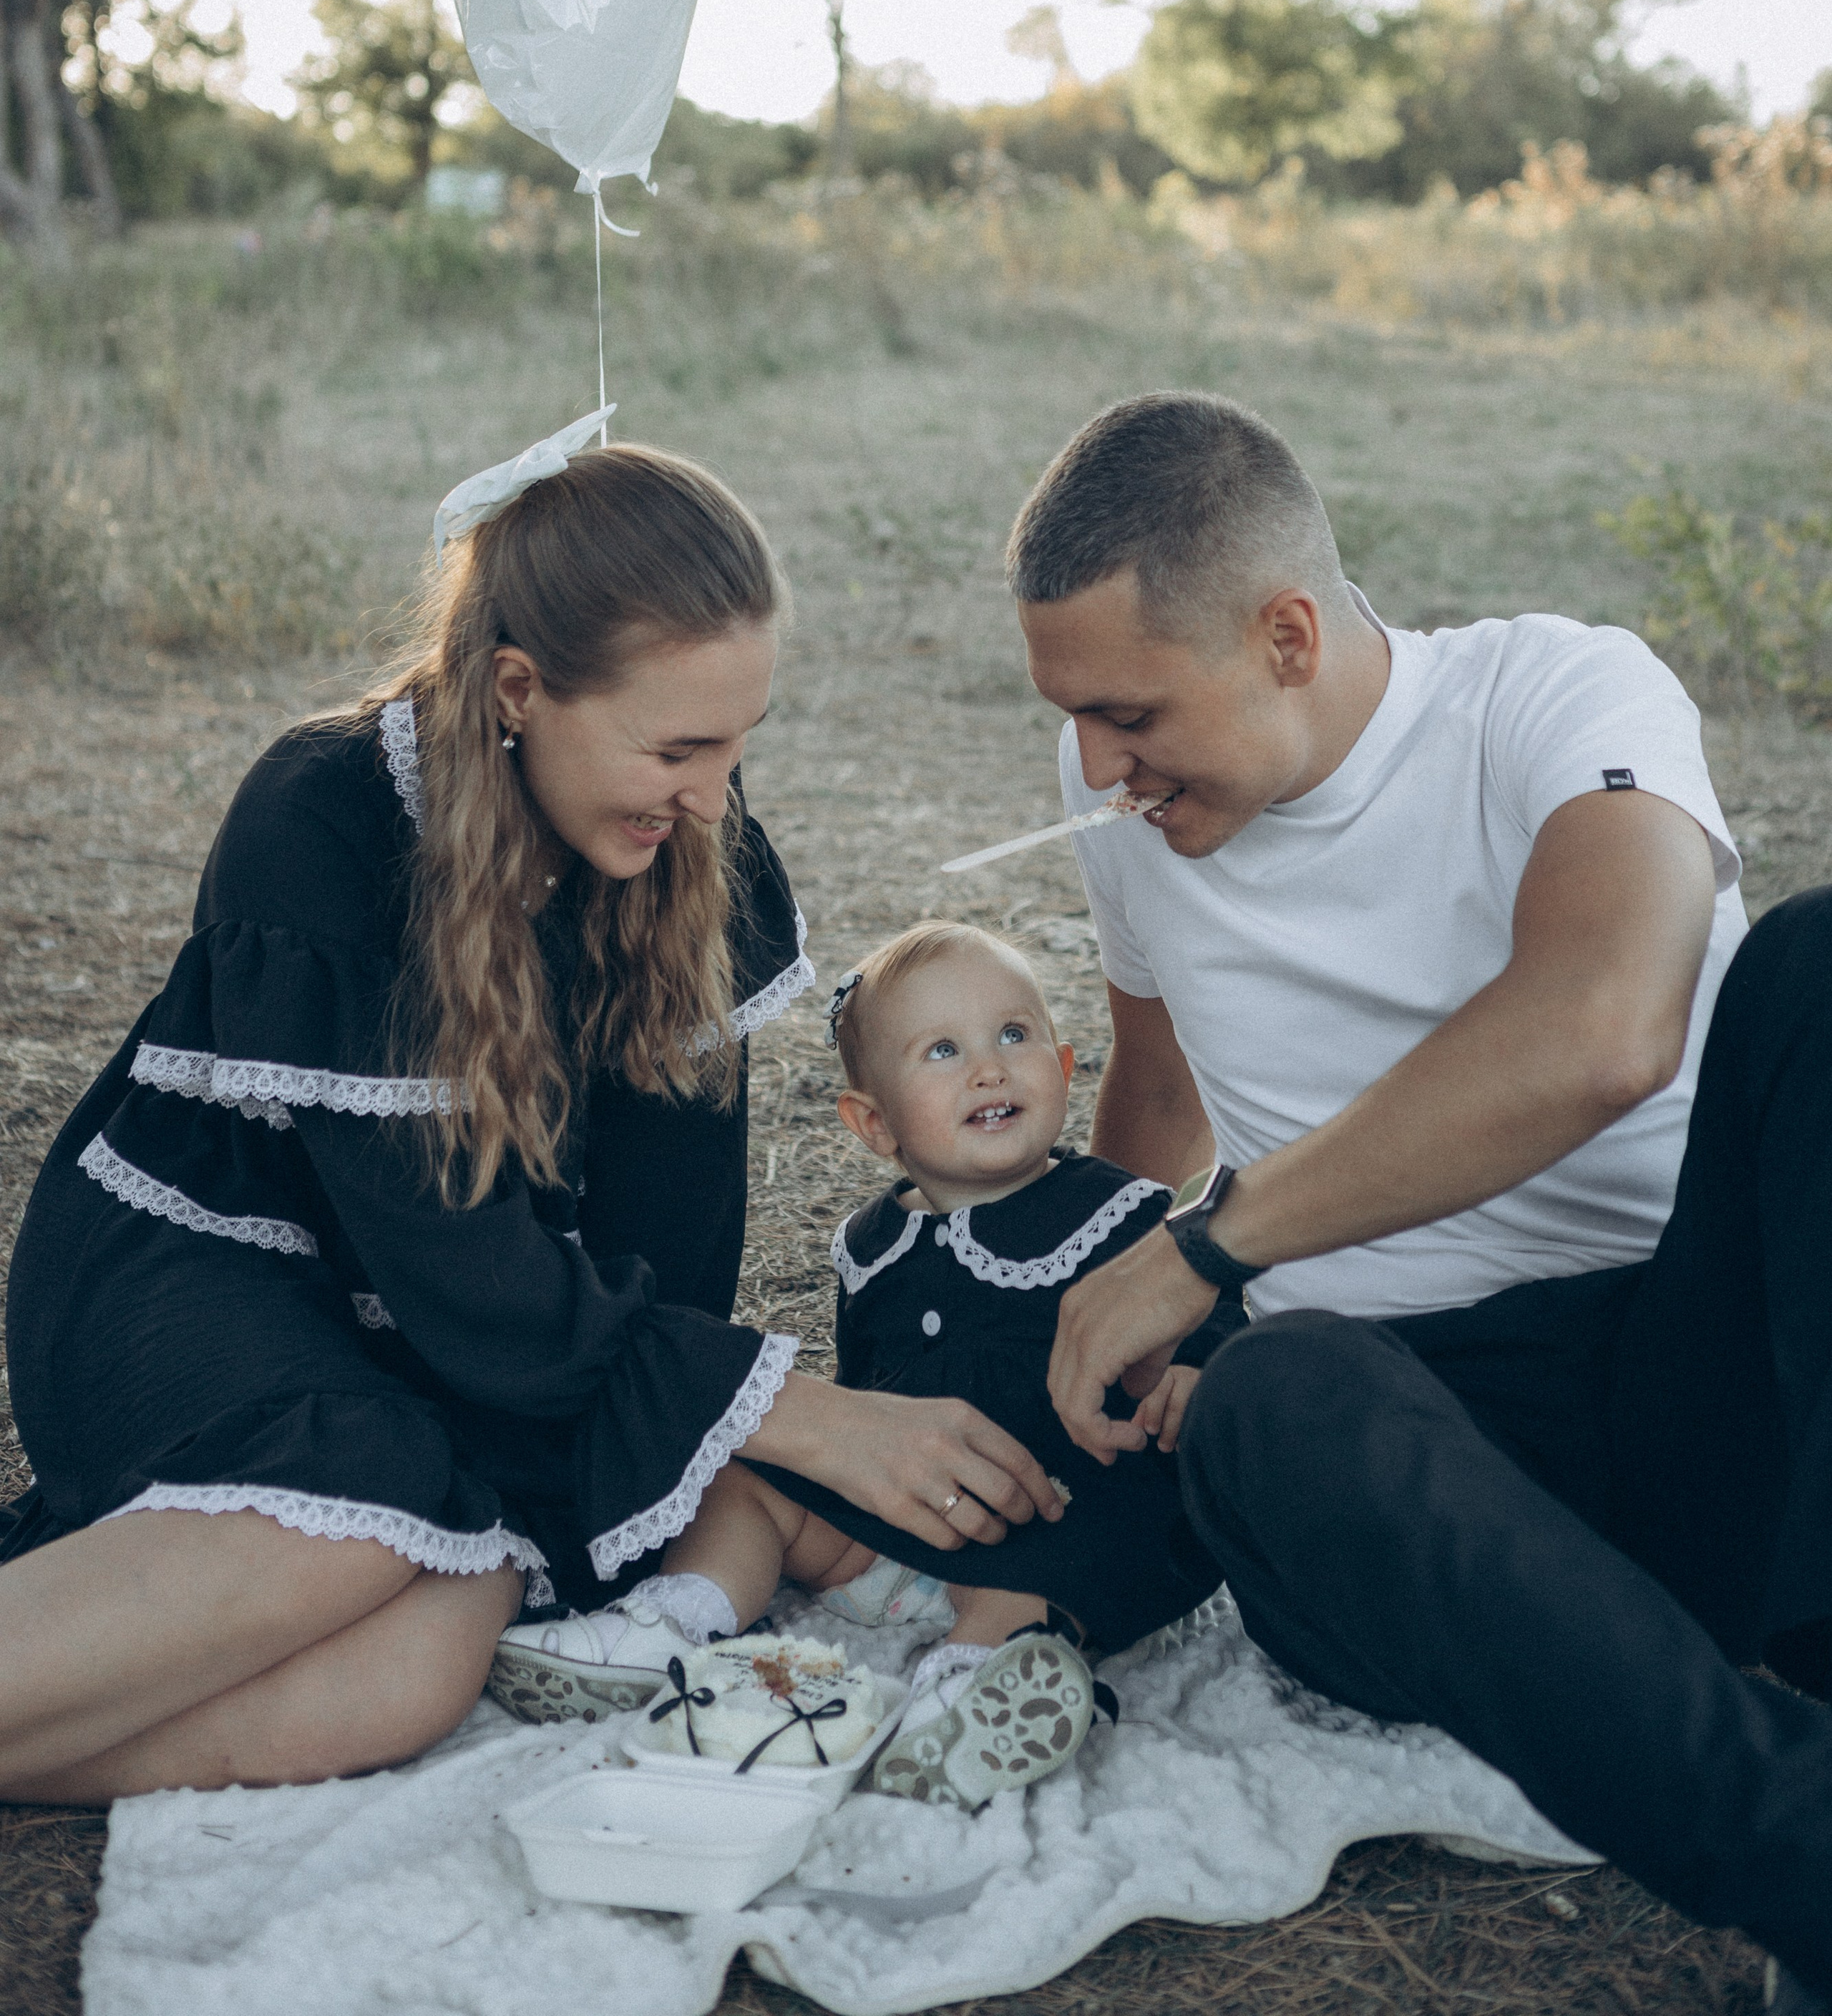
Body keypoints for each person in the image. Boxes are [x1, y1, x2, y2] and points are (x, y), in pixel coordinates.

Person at [0, 432, 1061, 1803]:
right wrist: (795, 1417)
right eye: (677, 747)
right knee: (372, 1508)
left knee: (442, 1639)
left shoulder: (681, 838)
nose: (713, 796)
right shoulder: (323, 821)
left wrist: (710, 1430)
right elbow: (468, 1277)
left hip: (432, 1339)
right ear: (520, 690)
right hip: (205, 1273)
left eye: (737, 744)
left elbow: (668, 1254)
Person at [998, 390, 1831, 2007]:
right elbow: (1155, 1099)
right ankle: (1798, 1850)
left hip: (1698, 1382)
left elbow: (1605, 1026)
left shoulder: (1556, 691)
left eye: (1130, 713)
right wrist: (1075, 1316)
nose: (1097, 770)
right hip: (1404, 1453)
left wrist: (1208, 1245)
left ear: (1287, 637)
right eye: (1075, 718)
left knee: (1817, 963)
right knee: (1269, 1395)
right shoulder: (1130, 803)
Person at [492, 920, 1222, 1811]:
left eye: (1014, 1034)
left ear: (1065, 1068)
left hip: (1064, 1507)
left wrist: (1193, 1378)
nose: (989, 1070)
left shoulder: (1123, 1213)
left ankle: (976, 1691)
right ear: (873, 1124)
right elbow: (864, 1406)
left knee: (1030, 1572)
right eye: (943, 1050)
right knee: (747, 1481)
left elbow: (1205, 1318)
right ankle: (676, 1620)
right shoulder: (872, 1244)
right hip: (908, 1517)